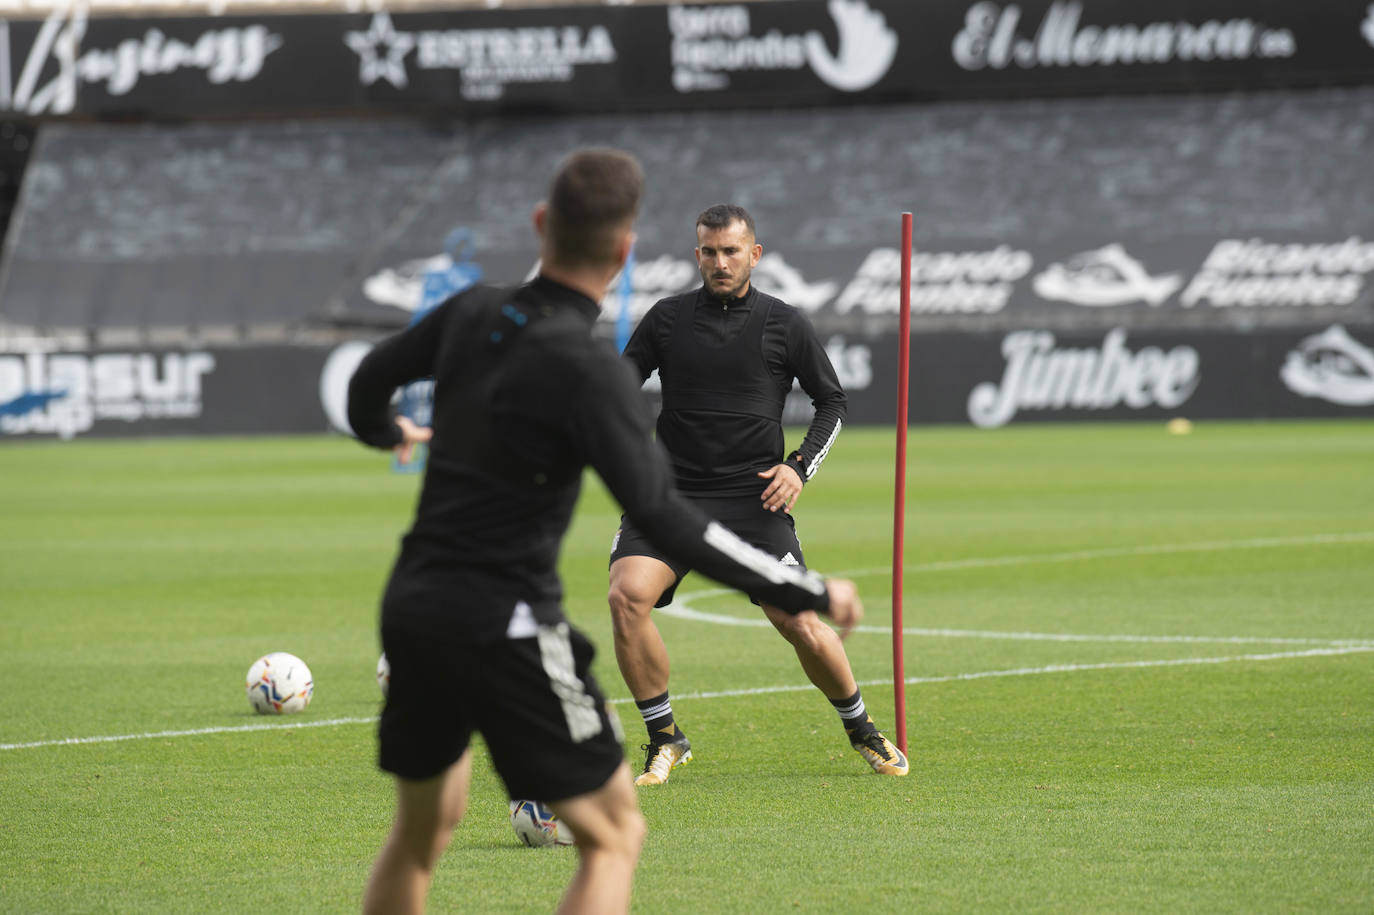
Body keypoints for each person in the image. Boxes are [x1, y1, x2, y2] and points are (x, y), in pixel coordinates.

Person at [347, 150, 864, 915]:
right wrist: (806, 587)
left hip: (413, 607)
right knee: (615, 835)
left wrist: (388, 429)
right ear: (625, 252)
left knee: (421, 833)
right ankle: (666, 735)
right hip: (509, 624)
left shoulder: (469, 311)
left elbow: (365, 384)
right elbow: (669, 519)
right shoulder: (589, 374)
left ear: (540, 224)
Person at [608, 203, 908, 786]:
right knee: (626, 597)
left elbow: (832, 402)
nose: (721, 262)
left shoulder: (785, 323)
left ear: (755, 254)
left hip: (753, 503)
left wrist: (799, 467)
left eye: (731, 251)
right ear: (697, 255)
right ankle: (665, 737)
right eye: (710, 252)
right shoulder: (666, 318)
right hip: (668, 499)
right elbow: (619, 387)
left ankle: (862, 729)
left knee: (798, 621)